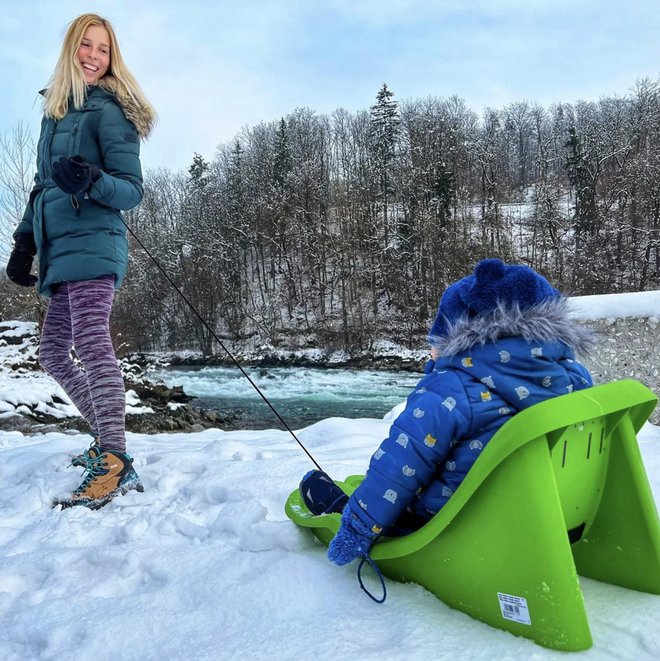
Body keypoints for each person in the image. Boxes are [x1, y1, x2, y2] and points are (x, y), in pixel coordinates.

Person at [300, 258, 594, 565]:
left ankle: (346, 511)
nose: (431, 348)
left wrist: (355, 531)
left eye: (438, 336)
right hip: (540, 508)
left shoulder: (450, 389)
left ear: (462, 334)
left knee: (357, 493)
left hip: (454, 522)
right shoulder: (574, 376)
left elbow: (402, 464)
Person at [5, 13, 156, 509]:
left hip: (94, 244)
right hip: (57, 249)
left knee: (92, 345)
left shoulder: (109, 111)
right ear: (71, 49)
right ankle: (107, 442)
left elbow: (130, 190)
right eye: (86, 46)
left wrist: (90, 178)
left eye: (104, 49)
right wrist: (25, 242)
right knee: (51, 355)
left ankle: (114, 458)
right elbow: (41, 187)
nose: (94, 56)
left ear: (113, 58)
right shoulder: (54, 113)